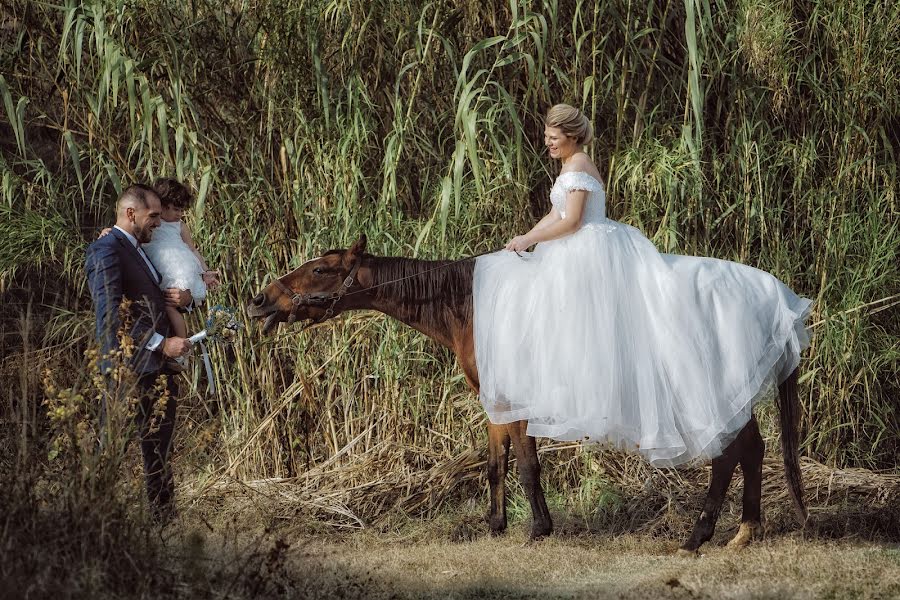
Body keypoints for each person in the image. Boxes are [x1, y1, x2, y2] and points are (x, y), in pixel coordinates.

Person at [474, 104, 812, 467]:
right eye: (546, 137)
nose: (548, 144)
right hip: (572, 248)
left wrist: (531, 242)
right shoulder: (566, 167)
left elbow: (572, 221)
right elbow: (554, 214)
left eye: (554, 138)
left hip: (590, 249)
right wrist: (526, 236)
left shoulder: (580, 164)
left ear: (572, 137)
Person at [85, 184, 193, 522]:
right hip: (125, 369)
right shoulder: (106, 250)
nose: (159, 223)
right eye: (153, 216)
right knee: (111, 445)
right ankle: (96, 518)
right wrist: (160, 343)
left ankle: (164, 519)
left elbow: (156, 302)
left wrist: (184, 300)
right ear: (131, 214)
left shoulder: (140, 249)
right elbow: (110, 315)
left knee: (159, 448)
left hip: (157, 367)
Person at [100, 178, 219, 371]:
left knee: (171, 307)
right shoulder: (126, 239)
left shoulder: (174, 229)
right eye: (175, 209)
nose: (180, 215)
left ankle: (183, 349)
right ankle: (181, 349)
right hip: (131, 360)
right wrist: (110, 232)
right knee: (169, 306)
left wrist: (201, 276)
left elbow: (192, 249)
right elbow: (109, 311)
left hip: (180, 270)